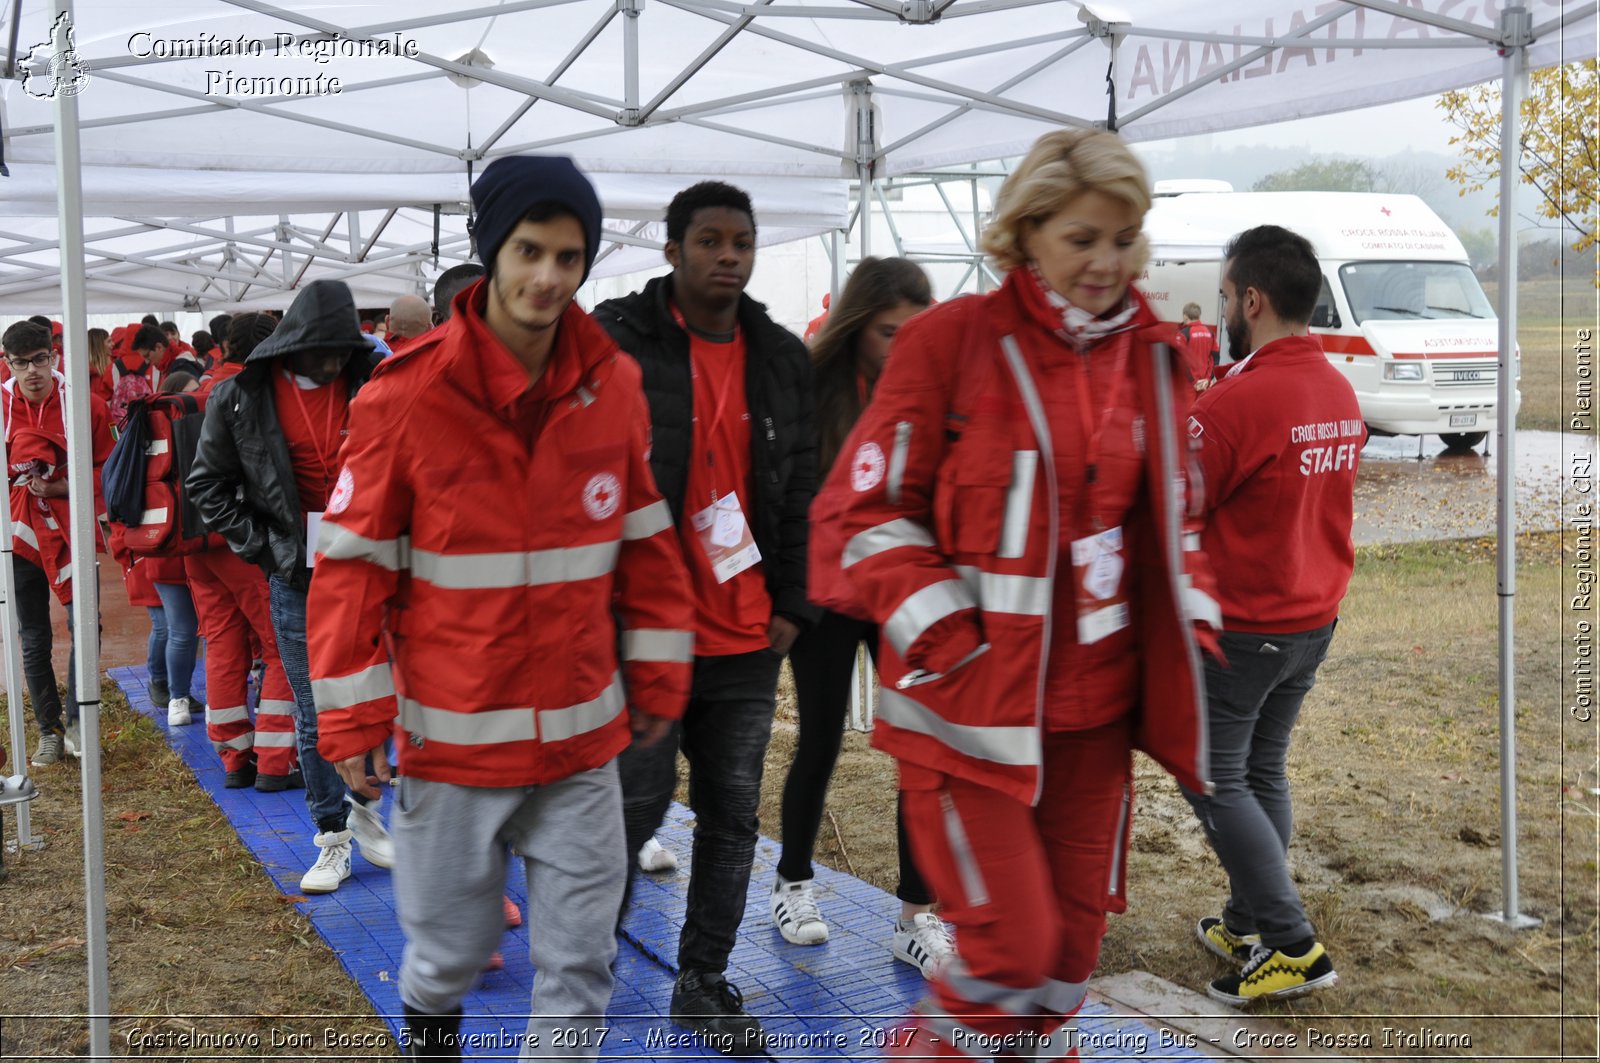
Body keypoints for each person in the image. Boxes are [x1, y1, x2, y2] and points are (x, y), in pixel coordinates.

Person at [808, 129, 1218, 1058]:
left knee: (1069, 962)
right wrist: (946, 629)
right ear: (1025, 234)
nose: (1107, 263)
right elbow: (861, 509)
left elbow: (1174, 515)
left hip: (1096, 718)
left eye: (1124, 238)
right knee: (1009, 955)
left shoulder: (1154, 359)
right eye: (1082, 239)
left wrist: (1195, 615)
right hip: (970, 717)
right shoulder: (950, 344)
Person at [306, 154, 694, 1060]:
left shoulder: (614, 385)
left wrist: (662, 670)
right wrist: (355, 716)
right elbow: (352, 568)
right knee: (448, 957)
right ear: (493, 253)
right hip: (454, 749)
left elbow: (645, 541)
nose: (549, 276)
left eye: (570, 256)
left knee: (580, 964)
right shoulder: (404, 397)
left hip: (581, 749)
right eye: (530, 251)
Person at [595, 179, 818, 1053]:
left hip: (746, 635)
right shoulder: (620, 341)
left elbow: (802, 488)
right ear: (673, 250)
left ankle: (702, 977)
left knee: (732, 817)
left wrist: (793, 606)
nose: (728, 255)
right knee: (628, 809)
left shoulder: (778, 356)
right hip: (644, 635)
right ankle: (583, 964)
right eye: (711, 241)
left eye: (742, 242)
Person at [1181, 224, 1361, 1006]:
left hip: (1246, 625)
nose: (1222, 310)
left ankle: (1290, 944)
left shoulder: (1238, 400)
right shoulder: (1337, 387)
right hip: (1311, 620)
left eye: (1224, 296)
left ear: (1251, 300)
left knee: (1217, 778)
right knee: (1260, 770)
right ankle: (1246, 919)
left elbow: (1174, 505)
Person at [769, 257, 954, 977]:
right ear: (856, 323)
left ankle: (916, 915)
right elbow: (788, 496)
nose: (900, 345)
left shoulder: (929, 390)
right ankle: (792, 884)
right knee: (818, 742)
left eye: (914, 332)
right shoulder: (812, 387)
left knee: (920, 752)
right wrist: (789, 596)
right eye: (887, 331)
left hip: (899, 596)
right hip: (823, 596)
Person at [189, 282, 396, 892]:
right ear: (294, 344)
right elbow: (206, 487)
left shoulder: (372, 381)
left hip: (372, 570)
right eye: (322, 351)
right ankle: (331, 836)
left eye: (342, 349)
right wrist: (265, 546)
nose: (332, 362)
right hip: (298, 574)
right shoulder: (239, 398)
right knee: (313, 711)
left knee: (375, 699)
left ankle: (367, 815)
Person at [181, 312, 301, 791]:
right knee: (281, 648)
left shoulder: (195, 392)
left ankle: (234, 757)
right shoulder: (257, 397)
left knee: (223, 646)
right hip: (242, 542)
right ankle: (275, 761)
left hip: (195, 545)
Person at [2, 321, 115, 765]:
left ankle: (77, 724)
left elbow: (112, 471)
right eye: (21, 362)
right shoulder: (2, 405)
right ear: (7, 362)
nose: (33, 371)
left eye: (41, 359)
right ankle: (48, 729)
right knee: (32, 635)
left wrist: (62, 486)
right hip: (17, 534)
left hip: (73, 532)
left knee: (87, 626)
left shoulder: (87, 405)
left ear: (54, 356)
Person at [1177, 302, 1217, 391]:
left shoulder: (1183, 334)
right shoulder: (1210, 334)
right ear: (1199, 316)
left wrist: (1193, 382)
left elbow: (1181, 360)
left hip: (1188, 386)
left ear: (1185, 316)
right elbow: (1215, 358)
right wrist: (1208, 379)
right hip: (1204, 385)